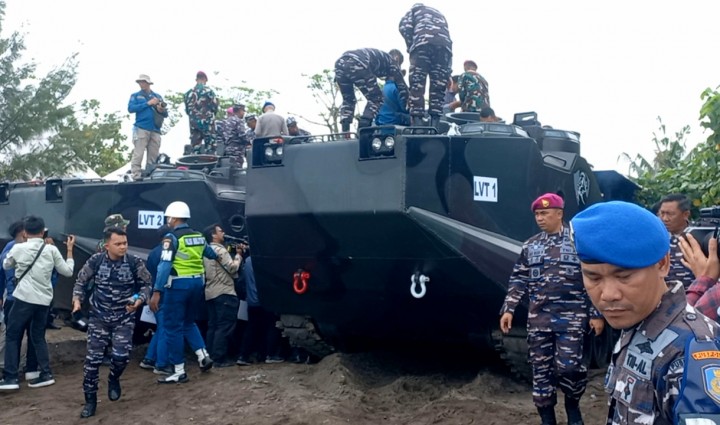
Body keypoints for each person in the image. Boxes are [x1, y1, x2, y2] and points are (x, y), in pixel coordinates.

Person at [571, 201, 720, 424]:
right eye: (593, 277)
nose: (609, 294)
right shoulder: (637, 321)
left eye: (624, 277)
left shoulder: (693, 351)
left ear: (662, 264)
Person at [499, 193, 603, 425]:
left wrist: (596, 313)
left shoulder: (579, 243)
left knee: (570, 368)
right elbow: (518, 279)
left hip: (572, 318)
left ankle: (572, 405)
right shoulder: (531, 245)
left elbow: (593, 278)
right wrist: (509, 308)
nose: (540, 218)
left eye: (545, 213)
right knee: (541, 371)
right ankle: (547, 418)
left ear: (559, 214)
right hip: (539, 319)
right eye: (537, 214)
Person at [71, 227, 152, 418]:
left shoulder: (134, 262)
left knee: (121, 357)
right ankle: (90, 401)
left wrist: (139, 300)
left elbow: (147, 285)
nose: (123, 247)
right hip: (99, 317)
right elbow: (81, 282)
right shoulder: (96, 261)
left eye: (125, 243)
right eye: (118, 244)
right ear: (107, 245)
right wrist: (76, 301)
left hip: (123, 318)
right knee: (92, 362)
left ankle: (114, 378)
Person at [0, 216, 75, 390]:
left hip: (23, 299)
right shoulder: (51, 250)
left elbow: (5, 265)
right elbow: (68, 271)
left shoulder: (18, 248)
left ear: (25, 233)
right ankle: (44, 373)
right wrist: (69, 250)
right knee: (38, 336)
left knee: (12, 335)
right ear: (42, 232)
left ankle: (10, 377)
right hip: (44, 301)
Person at [148, 201, 216, 383]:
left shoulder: (171, 238)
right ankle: (203, 356)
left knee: (172, 328)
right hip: (197, 284)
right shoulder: (199, 236)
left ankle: (178, 370)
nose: (167, 220)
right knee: (188, 322)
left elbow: (164, 266)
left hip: (177, 286)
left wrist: (157, 291)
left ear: (174, 217)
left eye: (168, 217)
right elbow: (211, 254)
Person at [399, 3, 452, 128]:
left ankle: (418, 125)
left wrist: (410, 46)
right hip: (444, 48)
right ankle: (435, 125)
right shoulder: (440, 14)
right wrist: (448, 70)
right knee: (438, 88)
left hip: (422, 46)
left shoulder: (414, 10)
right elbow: (448, 38)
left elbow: (404, 27)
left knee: (417, 85)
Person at [334, 48, 408, 131]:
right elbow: (403, 89)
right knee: (377, 98)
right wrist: (408, 108)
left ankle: (345, 131)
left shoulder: (381, 58)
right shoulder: (393, 63)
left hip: (339, 65)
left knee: (348, 99)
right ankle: (363, 127)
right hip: (359, 63)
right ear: (397, 59)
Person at [202, 224, 242, 367]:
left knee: (213, 326)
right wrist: (238, 256)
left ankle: (208, 356)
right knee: (224, 326)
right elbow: (232, 267)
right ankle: (219, 358)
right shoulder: (220, 250)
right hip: (224, 292)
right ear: (213, 235)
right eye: (220, 231)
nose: (223, 233)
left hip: (210, 292)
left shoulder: (205, 252)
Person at [236, 254, 284, 365]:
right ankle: (270, 354)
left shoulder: (247, 261)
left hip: (251, 302)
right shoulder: (265, 260)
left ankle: (243, 356)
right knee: (272, 327)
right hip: (265, 300)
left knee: (251, 329)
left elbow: (241, 281)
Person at [127, 74, 167, 181]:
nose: (142, 84)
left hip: (155, 129)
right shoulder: (135, 96)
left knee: (153, 154)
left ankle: (151, 175)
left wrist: (160, 109)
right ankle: (136, 175)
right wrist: (148, 103)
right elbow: (131, 108)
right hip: (141, 127)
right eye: (140, 82)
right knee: (138, 153)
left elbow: (165, 113)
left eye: (144, 82)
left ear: (148, 83)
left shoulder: (157, 96)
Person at [0, 220, 26, 372]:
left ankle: (13, 365)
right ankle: (7, 365)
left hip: (13, 296)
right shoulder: (14, 248)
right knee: (11, 333)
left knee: (12, 332)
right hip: (16, 297)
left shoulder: (10, 247)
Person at [657, 193, 695, 288]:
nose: (665, 219)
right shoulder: (657, 237)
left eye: (670, 214)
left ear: (685, 214)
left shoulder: (697, 237)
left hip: (694, 298)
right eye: (662, 213)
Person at [184, 71, 219, 154]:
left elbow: (187, 110)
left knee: (195, 146)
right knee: (210, 146)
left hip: (193, 123)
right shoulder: (209, 91)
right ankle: (209, 164)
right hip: (207, 122)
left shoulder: (188, 93)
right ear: (204, 79)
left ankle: (195, 164)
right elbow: (214, 107)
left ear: (196, 79)